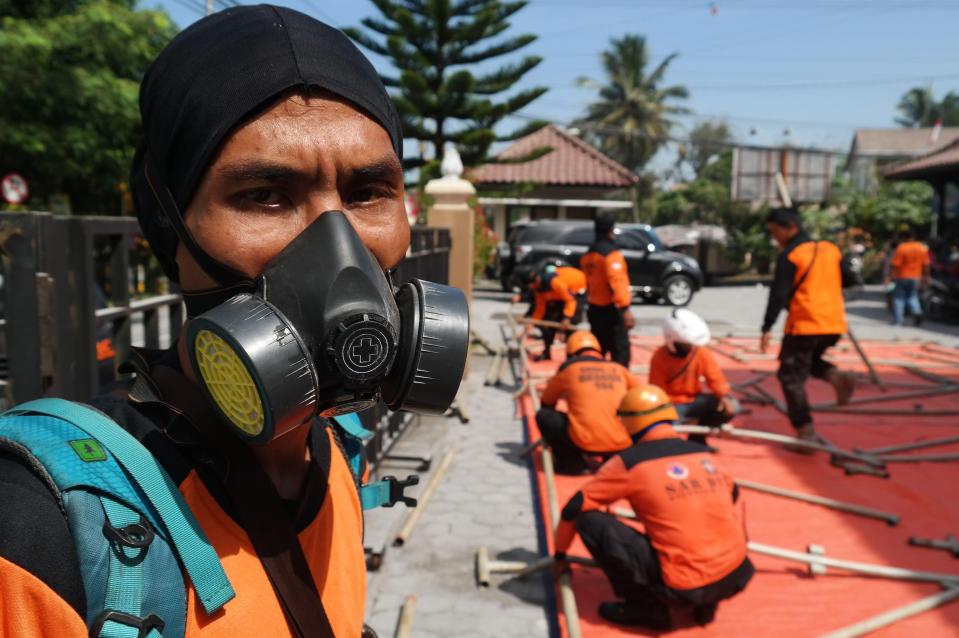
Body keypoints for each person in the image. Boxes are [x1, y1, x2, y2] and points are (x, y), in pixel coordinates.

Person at [0, 6, 467, 637]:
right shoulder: (36, 529)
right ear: (169, 224)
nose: (343, 249)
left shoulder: (336, 447)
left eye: (367, 193)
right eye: (264, 196)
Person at [554, 385, 753, 630]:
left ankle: (646, 609)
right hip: (737, 574)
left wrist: (560, 555)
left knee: (589, 520)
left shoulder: (628, 463)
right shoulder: (703, 454)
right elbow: (732, 493)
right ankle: (706, 606)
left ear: (628, 423)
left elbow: (573, 508)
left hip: (684, 587)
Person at [760, 208, 856, 447]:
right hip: (833, 323)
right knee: (809, 361)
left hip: (805, 323)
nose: (775, 238)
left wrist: (767, 327)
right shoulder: (830, 249)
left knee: (790, 376)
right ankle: (834, 375)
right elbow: (850, 278)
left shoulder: (792, 255)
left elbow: (778, 294)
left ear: (789, 227)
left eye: (775, 232)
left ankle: (805, 430)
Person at [537, 331, 638, 474]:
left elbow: (547, 401)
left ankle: (572, 464)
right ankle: (613, 458)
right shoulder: (620, 370)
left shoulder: (569, 370)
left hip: (584, 442)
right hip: (621, 442)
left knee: (545, 416)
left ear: (571, 354)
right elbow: (643, 397)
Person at [649, 309, 738, 444]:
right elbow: (658, 393)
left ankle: (697, 438)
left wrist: (725, 396)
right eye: (686, 344)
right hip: (672, 405)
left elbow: (715, 377)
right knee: (661, 427)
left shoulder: (699, 352)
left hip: (694, 400)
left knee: (733, 406)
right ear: (673, 341)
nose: (690, 347)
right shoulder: (659, 358)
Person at [580, 213, 635, 367]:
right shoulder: (611, 255)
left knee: (598, 351)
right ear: (612, 230)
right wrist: (625, 310)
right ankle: (619, 388)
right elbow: (617, 282)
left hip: (594, 310)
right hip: (612, 312)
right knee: (620, 354)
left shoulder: (587, 256)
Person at [522, 264, 587, 360]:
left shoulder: (555, 283)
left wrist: (567, 318)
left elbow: (570, 301)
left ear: (537, 280)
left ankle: (571, 356)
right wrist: (533, 322)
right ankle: (547, 352)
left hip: (576, 291)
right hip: (561, 296)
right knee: (547, 322)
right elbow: (540, 308)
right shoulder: (538, 290)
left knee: (570, 325)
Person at [886, 228, 931, 327]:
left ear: (904, 237)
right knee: (912, 296)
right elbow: (926, 264)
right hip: (916, 277)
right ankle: (917, 312)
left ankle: (898, 320)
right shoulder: (922, 247)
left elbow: (895, 264)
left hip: (902, 276)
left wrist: (890, 276)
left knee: (898, 298)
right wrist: (927, 277)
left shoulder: (902, 247)